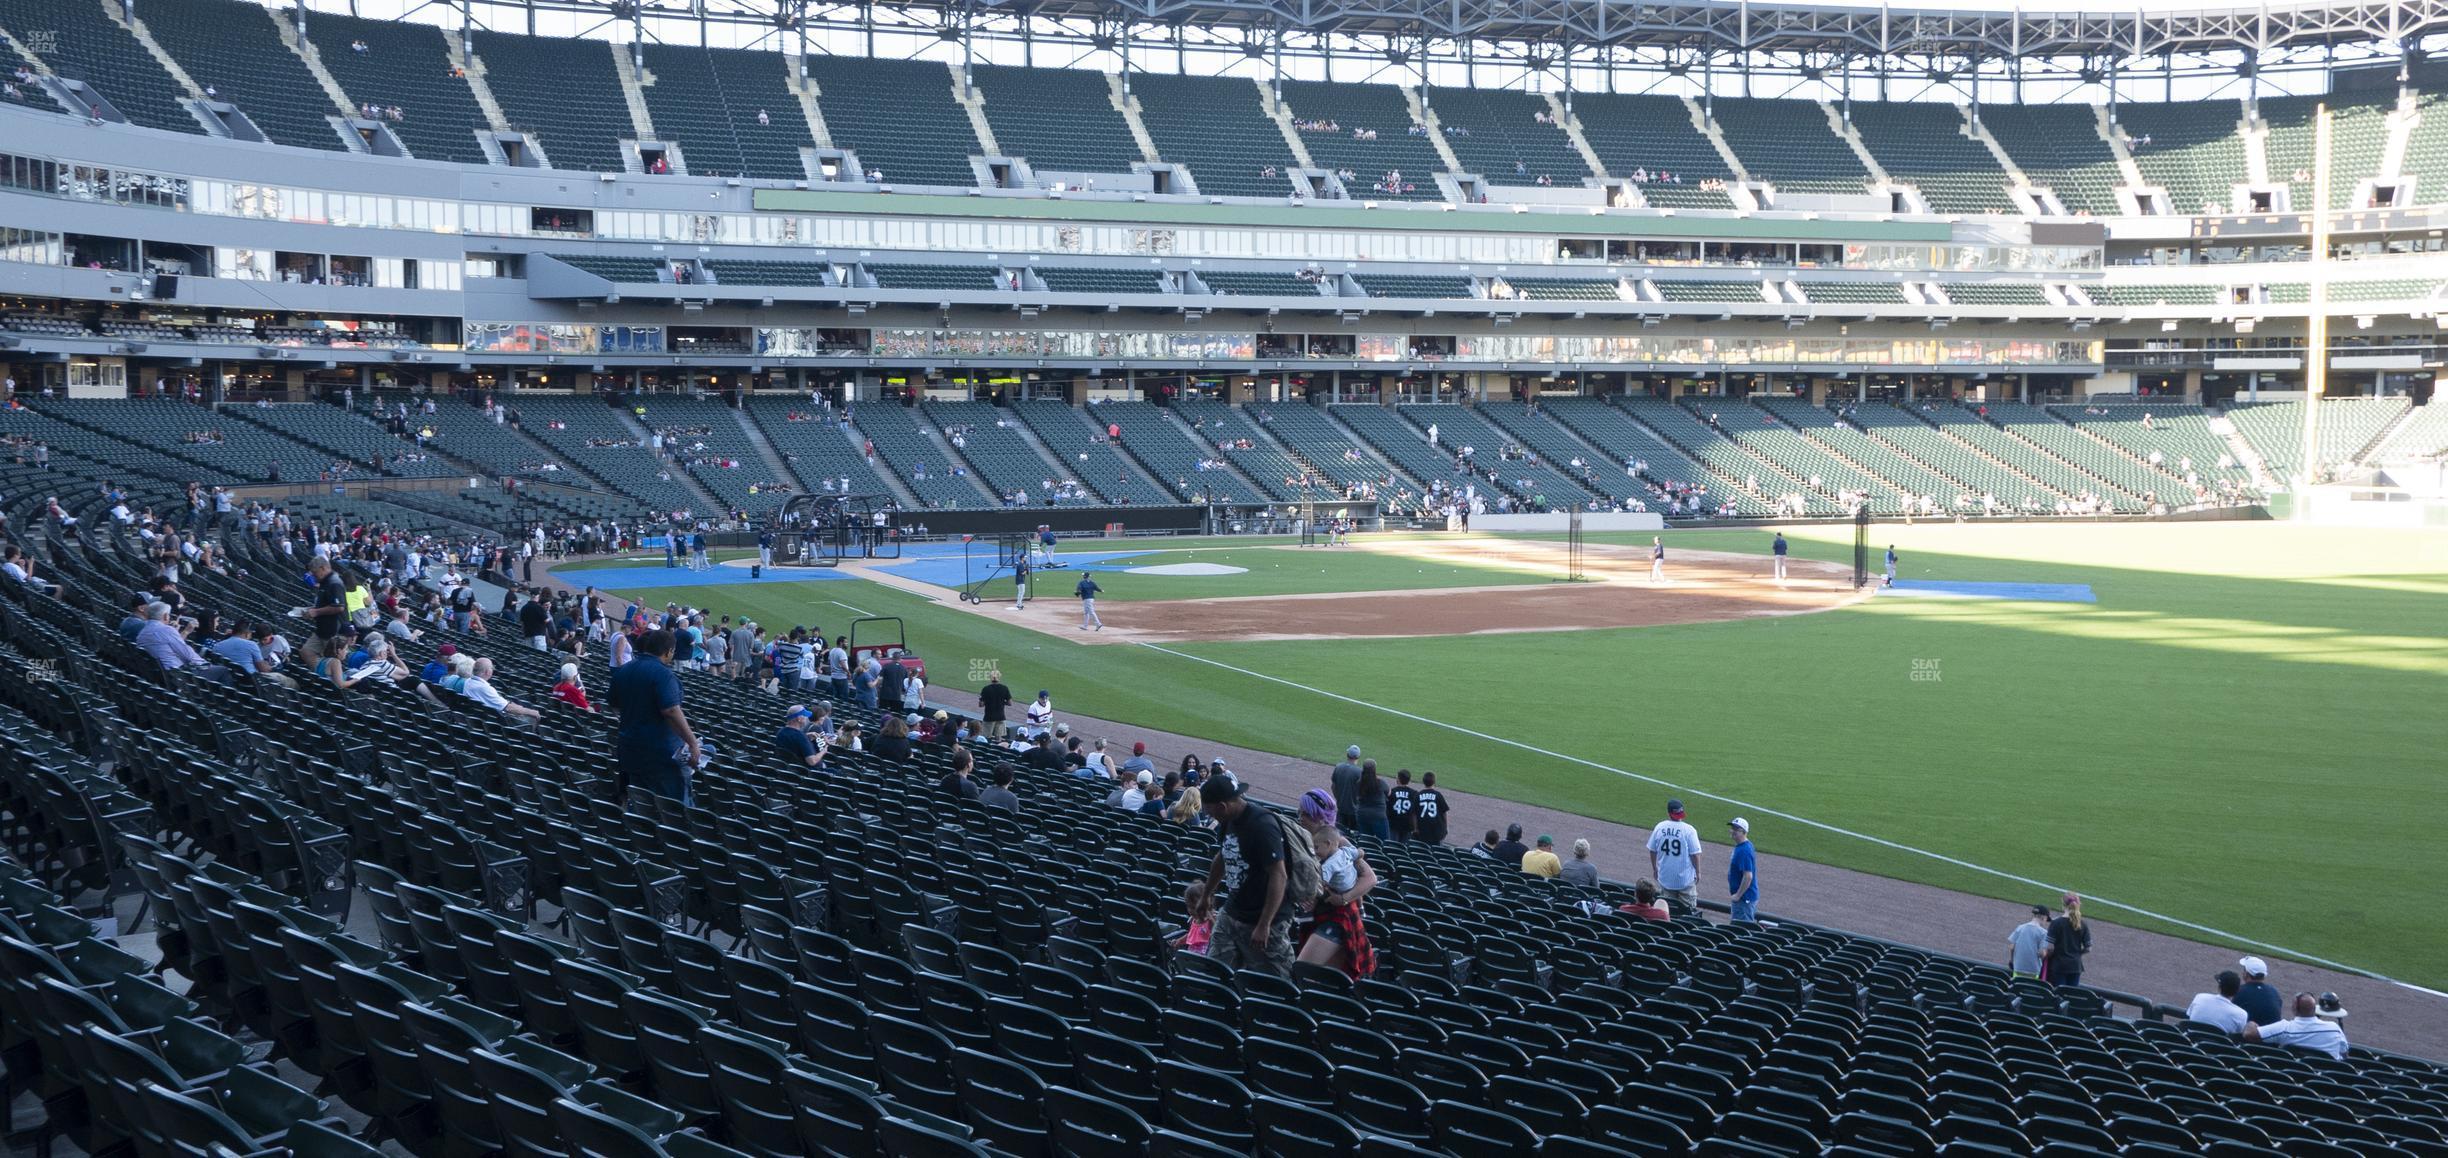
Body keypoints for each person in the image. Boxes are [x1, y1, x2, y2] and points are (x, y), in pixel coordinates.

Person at [1202, 774, 1295, 976]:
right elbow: (1223, 855)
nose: (1210, 816)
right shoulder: (1229, 820)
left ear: (1222, 806)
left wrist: (1264, 924)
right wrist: (1207, 894)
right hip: (1233, 910)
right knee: (1214, 974)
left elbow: (1279, 876)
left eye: (1210, 810)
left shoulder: (1262, 825)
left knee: (1276, 983)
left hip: (1267, 917)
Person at [1294, 790, 1377, 978]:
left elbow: (1370, 878)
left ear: (1322, 819)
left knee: (1302, 969)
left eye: (1306, 814)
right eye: (1300, 813)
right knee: (1329, 977)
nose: (1301, 818)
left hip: (1339, 915)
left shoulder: (1338, 842)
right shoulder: (1304, 839)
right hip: (1318, 914)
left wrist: (1343, 898)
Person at [610, 629, 698, 802]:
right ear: (669, 652)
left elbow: (614, 704)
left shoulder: (624, 670)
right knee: (674, 809)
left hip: (629, 747)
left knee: (642, 803)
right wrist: (693, 743)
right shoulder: (664, 674)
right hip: (660, 755)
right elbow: (671, 711)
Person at [2242, 993, 2350, 1059]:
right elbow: (2344, 1054)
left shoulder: (2285, 1028)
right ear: (2314, 1009)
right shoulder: (2334, 1029)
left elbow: (2249, 1034)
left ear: (2295, 1009)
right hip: (2326, 1082)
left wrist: (2251, 1023)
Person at [1646, 799, 1703, 913]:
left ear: (1669, 813)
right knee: (1688, 914)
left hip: (1665, 878)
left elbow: (1652, 850)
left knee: (1667, 912)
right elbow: (1695, 855)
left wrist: (1655, 869)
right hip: (1685, 881)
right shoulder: (1689, 830)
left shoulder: (1660, 827)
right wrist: (1698, 872)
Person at [2045, 893, 2091, 987]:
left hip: (2059, 965)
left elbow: (2050, 948)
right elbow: (2088, 948)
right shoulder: (2083, 923)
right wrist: (2077, 954)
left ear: (2063, 905)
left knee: (2059, 995)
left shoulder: (2056, 923)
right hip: (2075, 966)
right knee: (2071, 995)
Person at [2186, 971, 2252, 1034]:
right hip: (2217, 1045)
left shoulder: (2200, 997)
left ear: (2219, 987)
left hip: (2191, 1043)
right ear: (2237, 991)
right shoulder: (2241, 1015)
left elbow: (2188, 1017)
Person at [2232, 956, 2285, 1025]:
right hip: (2272, 1034)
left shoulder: (2240, 991)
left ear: (2246, 974)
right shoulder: (2273, 991)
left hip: (2250, 1034)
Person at [1725, 818, 1758, 922]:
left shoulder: (1744, 850)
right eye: (1732, 828)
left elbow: (1748, 876)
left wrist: (1738, 895)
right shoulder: (1741, 846)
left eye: (1736, 829)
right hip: (1743, 898)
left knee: (1742, 930)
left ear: (1744, 832)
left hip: (1744, 899)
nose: (1733, 831)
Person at [2007, 905, 2051, 980]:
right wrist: (2046, 953)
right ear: (2043, 917)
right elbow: (2041, 953)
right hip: (2033, 970)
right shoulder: (2043, 932)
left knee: (2017, 986)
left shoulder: (2020, 927)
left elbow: (2012, 947)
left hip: (2018, 967)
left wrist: (2012, 961)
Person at [1351, 762, 1390, 839]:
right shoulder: (1380, 782)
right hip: (1378, 815)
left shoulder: (1359, 783)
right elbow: (1388, 793)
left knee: (1366, 842)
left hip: (1362, 815)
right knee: (1384, 842)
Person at [1412, 771, 1450, 844]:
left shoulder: (1418, 795)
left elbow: (1414, 814)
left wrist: (1415, 828)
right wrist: (1445, 827)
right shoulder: (1438, 795)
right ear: (1434, 782)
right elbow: (1444, 812)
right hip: (1437, 829)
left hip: (1423, 829)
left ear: (1423, 781)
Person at [1329, 745, 1363, 827]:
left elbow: (1333, 786)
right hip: (1355, 811)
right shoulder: (1360, 772)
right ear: (1358, 757)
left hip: (1341, 808)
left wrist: (1339, 798)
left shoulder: (1338, 767)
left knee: (1340, 833)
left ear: (1347, 754)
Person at [1387, 769, 1418, 840]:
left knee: (1392, 847)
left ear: (1398, 779)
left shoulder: (1392, 792)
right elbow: (1416, 812)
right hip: (1408, 825)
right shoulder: (1414, 793)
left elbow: (1387, 809)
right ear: (1409, 780)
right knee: (1405, 848)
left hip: (1394, 824)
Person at [979, 672, 1012, 738]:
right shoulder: (1004, 688)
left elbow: (981, 704)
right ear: (999, 677)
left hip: (989, 717)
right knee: (999, 738)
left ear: (991, 678)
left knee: (986, 737)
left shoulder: (986, 689)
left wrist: (987, 702)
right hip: (1000, 717)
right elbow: (1009, 703)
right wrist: (1002, 702)